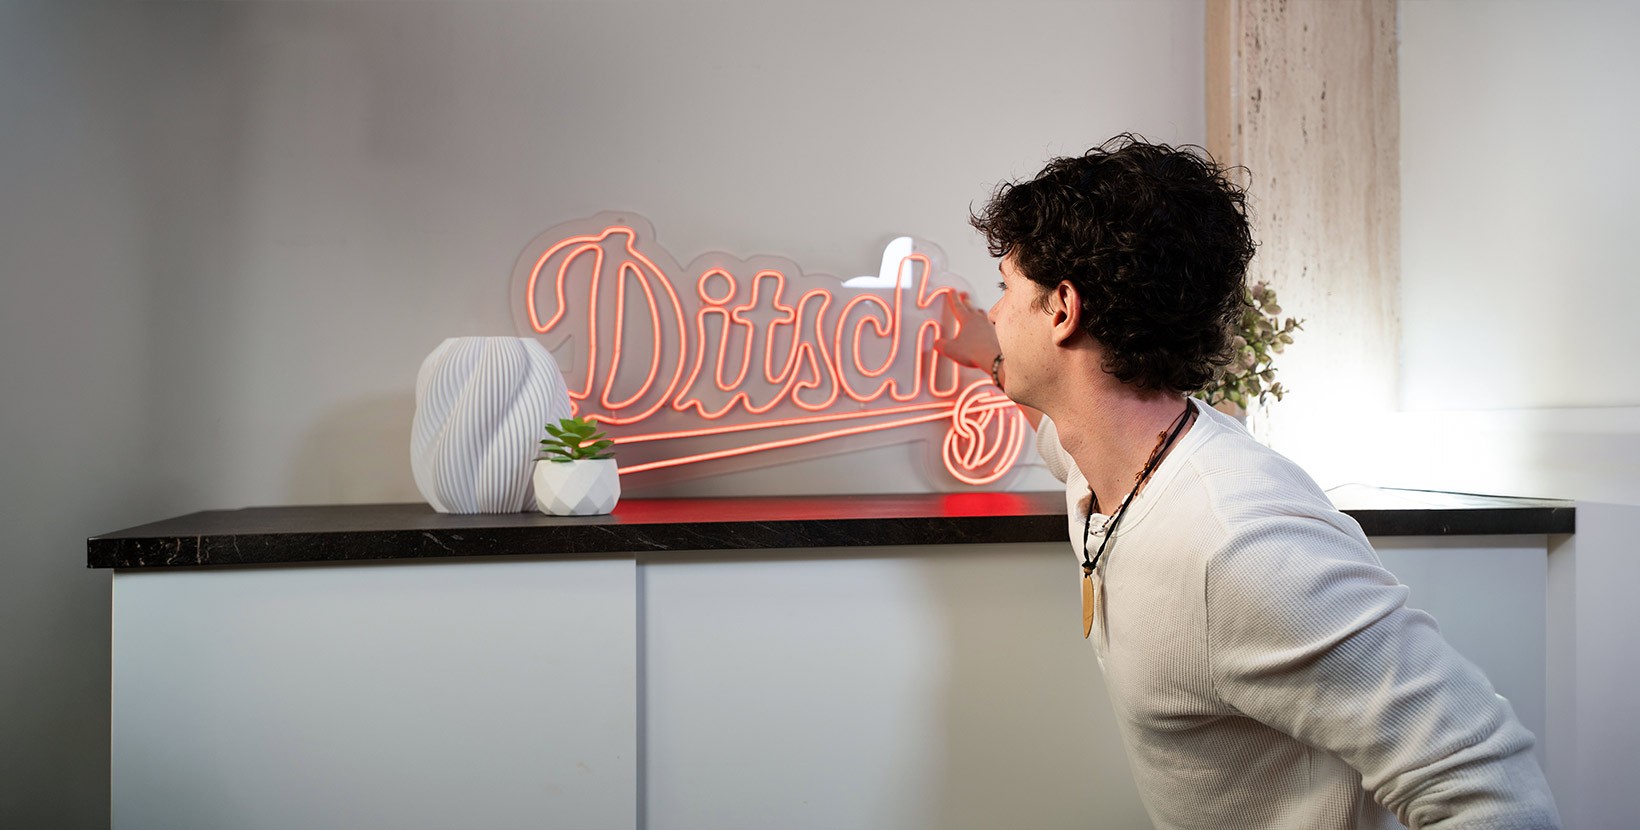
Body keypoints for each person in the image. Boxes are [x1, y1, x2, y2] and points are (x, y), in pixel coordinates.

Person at [934, 135, 1561, 830]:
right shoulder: (1113, 455)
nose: (995, 313)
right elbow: (1057, 426)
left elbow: (1487, 786)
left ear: (1062, 309)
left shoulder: (1238, 541)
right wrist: (984, 357)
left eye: (1005, 288)